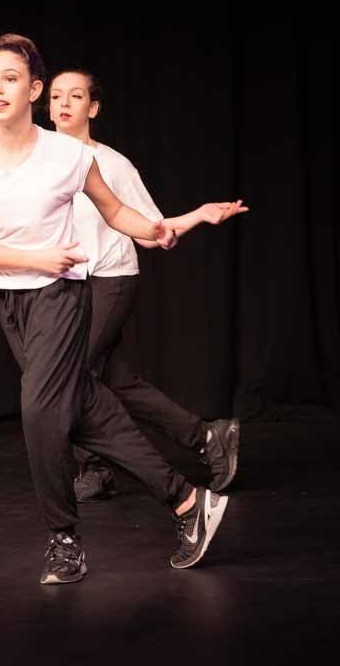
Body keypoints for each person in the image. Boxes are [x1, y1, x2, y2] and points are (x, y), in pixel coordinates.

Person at [0, 34, 229, 584]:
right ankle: (190, 502)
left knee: (40, 413)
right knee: (86, 408)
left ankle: (63, 539)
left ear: (35, 89)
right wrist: (35, 257)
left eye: (9, 79)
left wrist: (173, 225)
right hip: (10, 301)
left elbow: (118, 211)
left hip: (60, 296)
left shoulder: (69, 154)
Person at [48, 68, 246, 501]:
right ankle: (206, 437)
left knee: (70, 375)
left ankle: (101, 465)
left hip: (111, 280)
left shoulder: (113, 164)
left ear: (92, 107)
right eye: (57, 96)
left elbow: (147, 228)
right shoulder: (40, 159)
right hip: (67, 285)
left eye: (75, 96)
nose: (63, 104)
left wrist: (192, 217)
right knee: (115, 381)